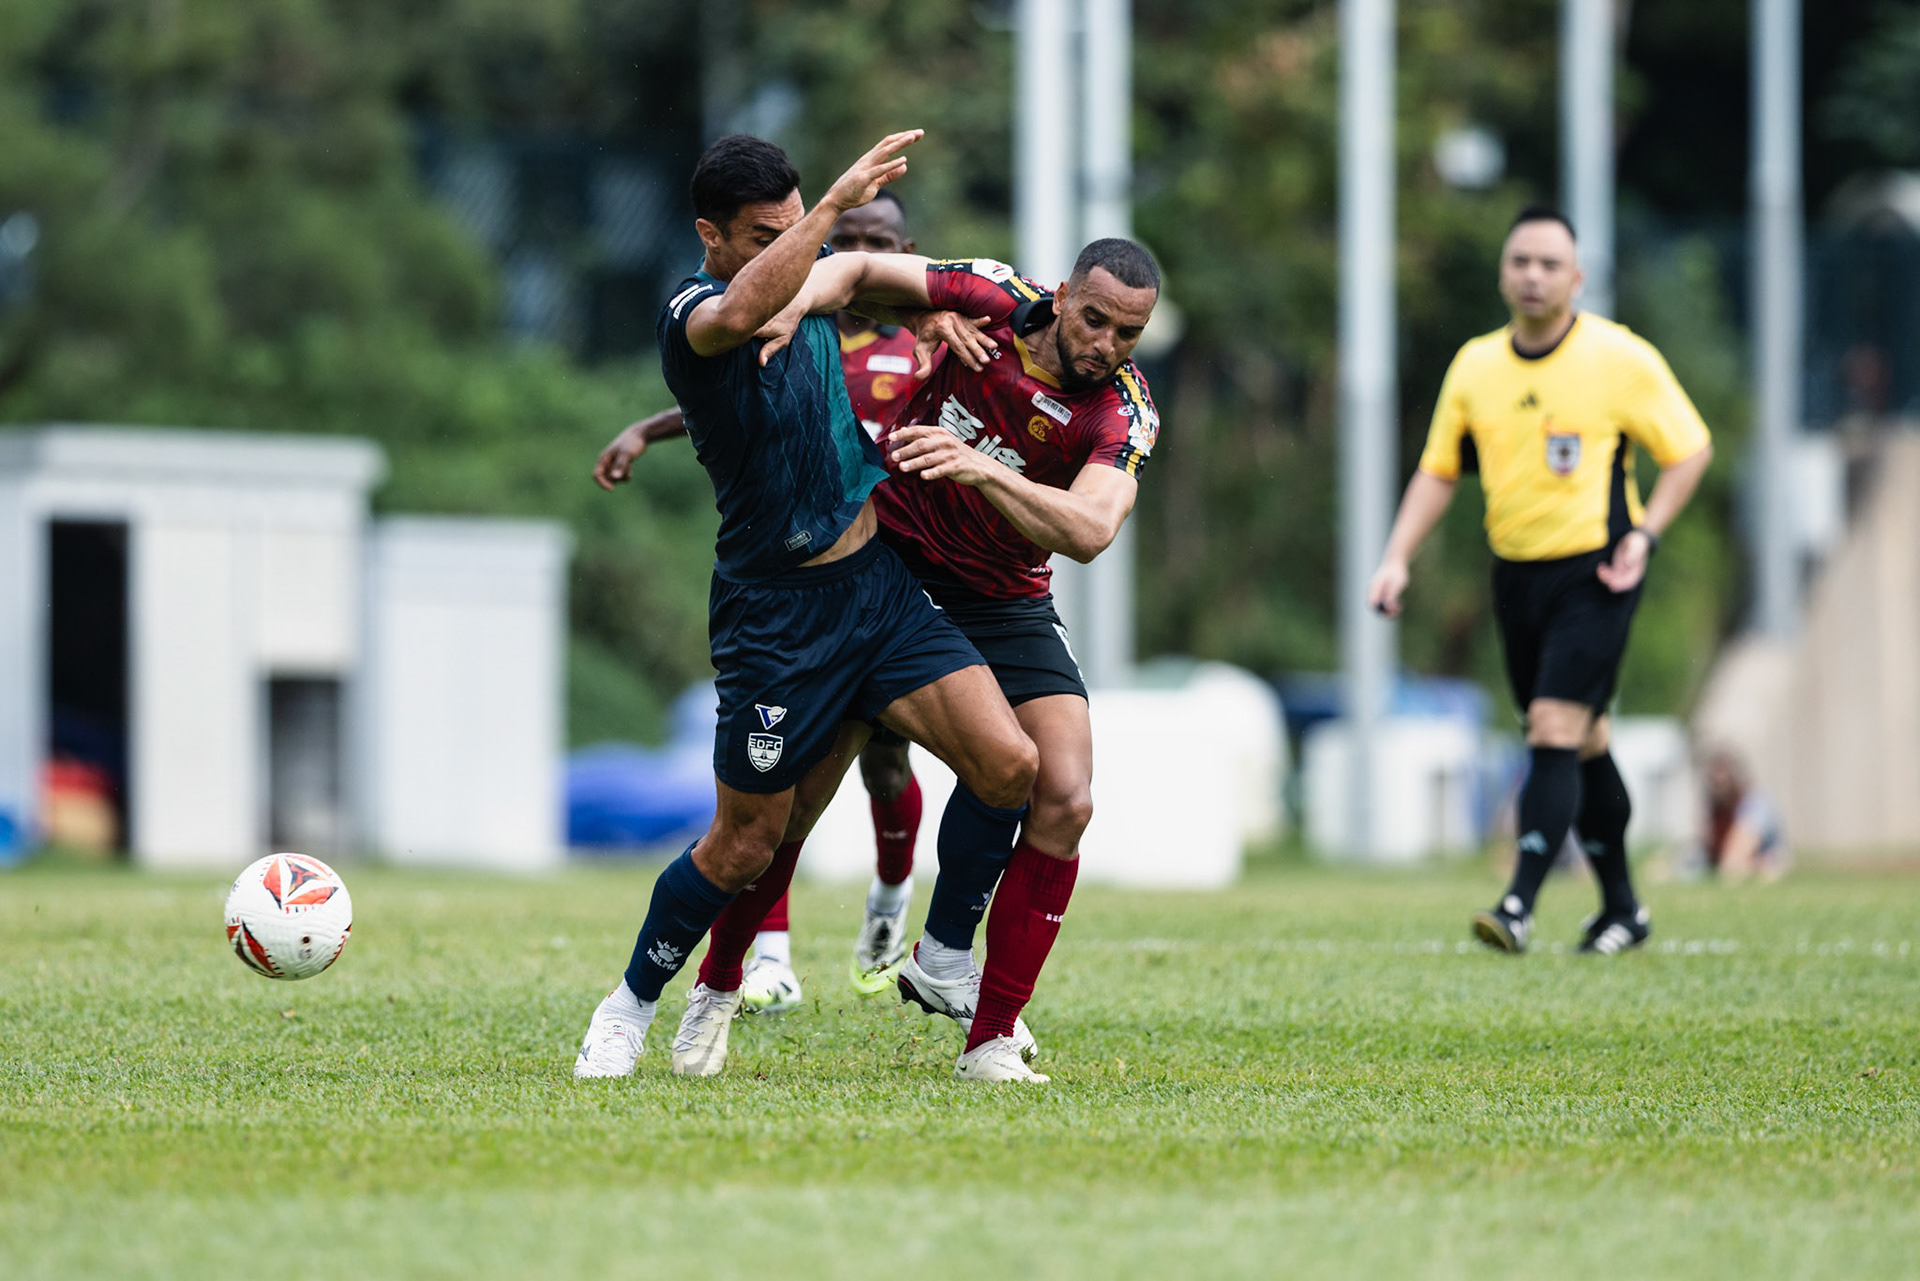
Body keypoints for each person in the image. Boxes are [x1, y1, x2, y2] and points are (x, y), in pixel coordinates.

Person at [571, 131, 1040, 1083]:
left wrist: (941, 317)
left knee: (1009, 764)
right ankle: (636, 1004)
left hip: (877, 591)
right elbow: (747, 305)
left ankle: (944, 959)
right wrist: (827, 209)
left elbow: (883, 282)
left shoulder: (811, 271)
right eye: (762, 233)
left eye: (792, 226)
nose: (788, 247)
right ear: (709, 236)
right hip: (774, 617)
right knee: (747, 844)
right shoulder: (694, 313)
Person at [683, 238, 1161, 1083]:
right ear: (1061, 297)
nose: (1107, 347)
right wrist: (796, 302)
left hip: (1005, 596)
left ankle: (975, 1013)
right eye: (1095, 321)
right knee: (791, 808)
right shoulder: (990, 297)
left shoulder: (1123, 409)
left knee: (1066, 793)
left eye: (1129, 333)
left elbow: (1090, 530)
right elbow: (862, 272)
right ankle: (717, 985)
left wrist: (981, 471)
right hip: (888, 569)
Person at [593, 190, 934, 1011]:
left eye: (868, 240)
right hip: (787, 588)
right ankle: (764, 956)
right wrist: (647, 427)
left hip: (895, 567)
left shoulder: (925, 344)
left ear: (897, 250)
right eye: (841, 234)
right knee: (778, 800)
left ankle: (894, 901)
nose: (847, 248)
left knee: (894, 765)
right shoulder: (788, 312)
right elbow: (725, 396)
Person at [1367, 204, 1714, 956]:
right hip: (1516, 574)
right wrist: (1397, 554)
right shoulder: (1476, 364)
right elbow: (1438, 469)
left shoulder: (1618, 358)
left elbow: (1689, 449)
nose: (1533, 274)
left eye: (1550, 264)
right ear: (1503, 271)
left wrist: (1648, 532)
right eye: (1520, 260)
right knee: (1582, 741)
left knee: (1552, 727)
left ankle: (1519, 901)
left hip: (1599, 567)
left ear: (1578, 277)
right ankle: (1623, 906)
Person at [1701, 747, 1790, 881]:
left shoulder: (1758, 804)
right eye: (1714, 783)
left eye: (1723, 783)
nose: (1718, 789)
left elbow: (1732, 862)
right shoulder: (1718, 807)